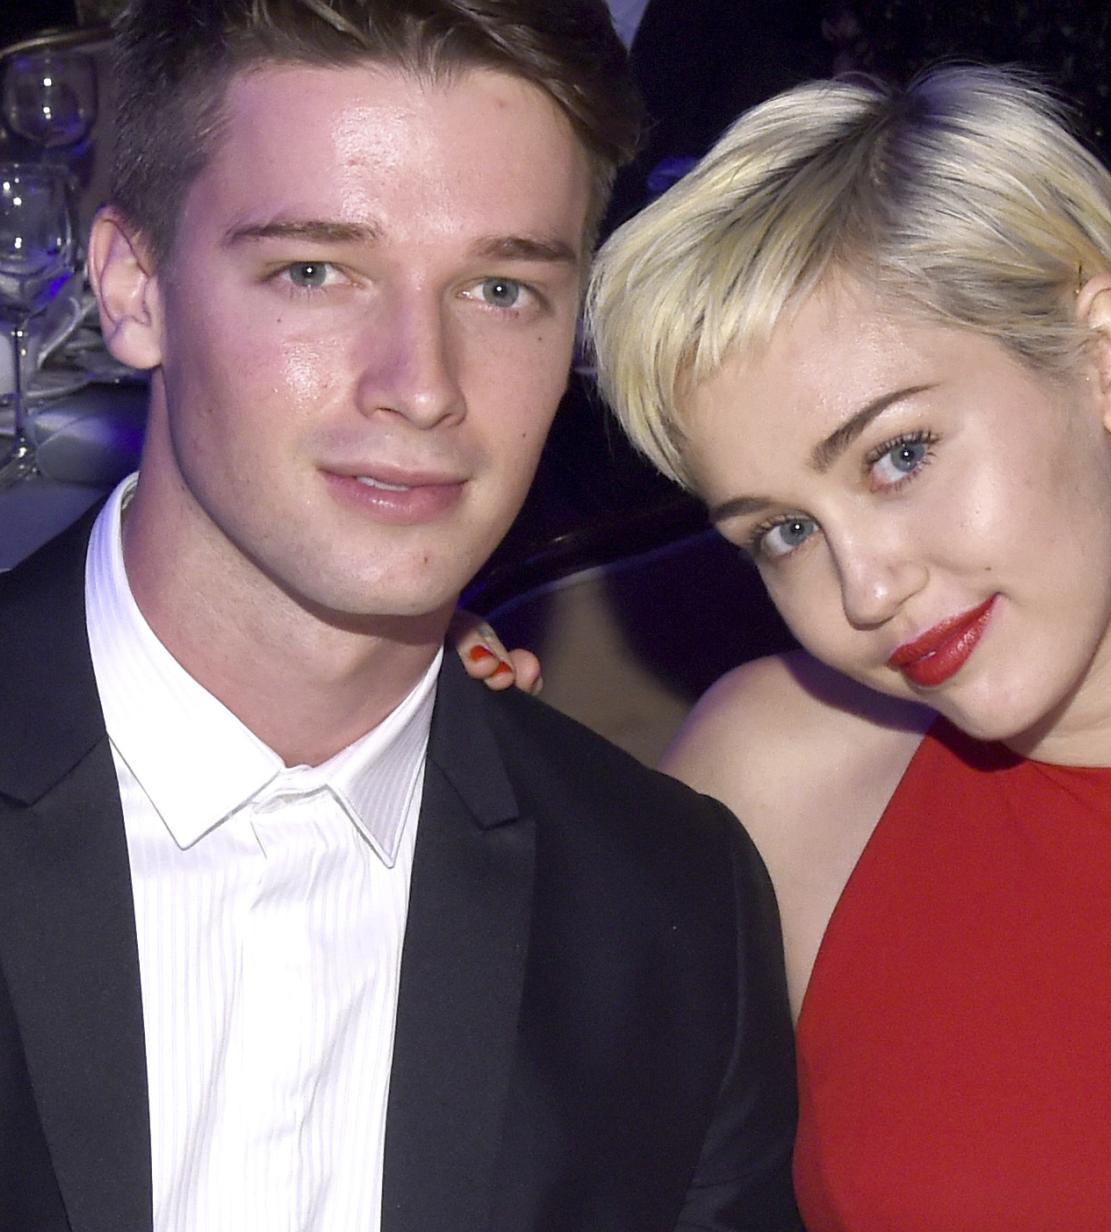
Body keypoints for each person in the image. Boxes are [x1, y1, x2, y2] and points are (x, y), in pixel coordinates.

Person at [0, 2, 801, 1229]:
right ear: (133, 287)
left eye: (500, 288)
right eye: (314, 271)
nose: (421, 385)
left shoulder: (671, 917)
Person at [586, 65, 1111, 1229]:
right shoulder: (777, 773)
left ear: (1105, 357)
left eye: (896, 454)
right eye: (782, 531)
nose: (864, 588)